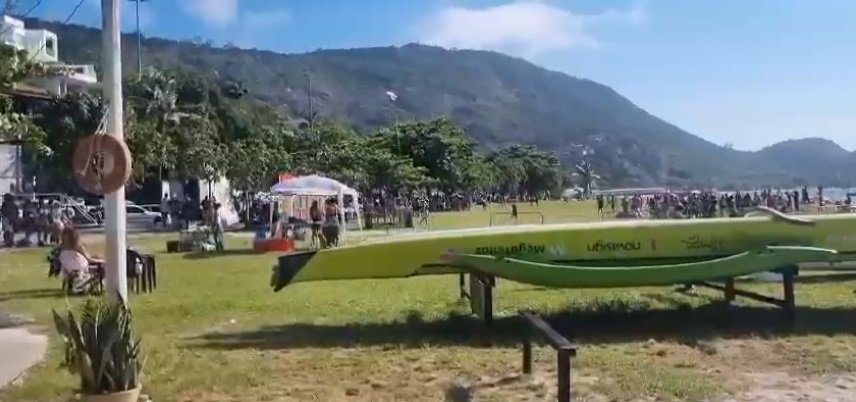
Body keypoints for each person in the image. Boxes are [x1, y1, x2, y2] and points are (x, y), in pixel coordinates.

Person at [58, 226, 103, 294]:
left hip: (66, 271)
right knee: (101, 268)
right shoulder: (78, 246)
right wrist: (101, 260)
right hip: (80, 268)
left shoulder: (62, 247)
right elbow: (89, 259)